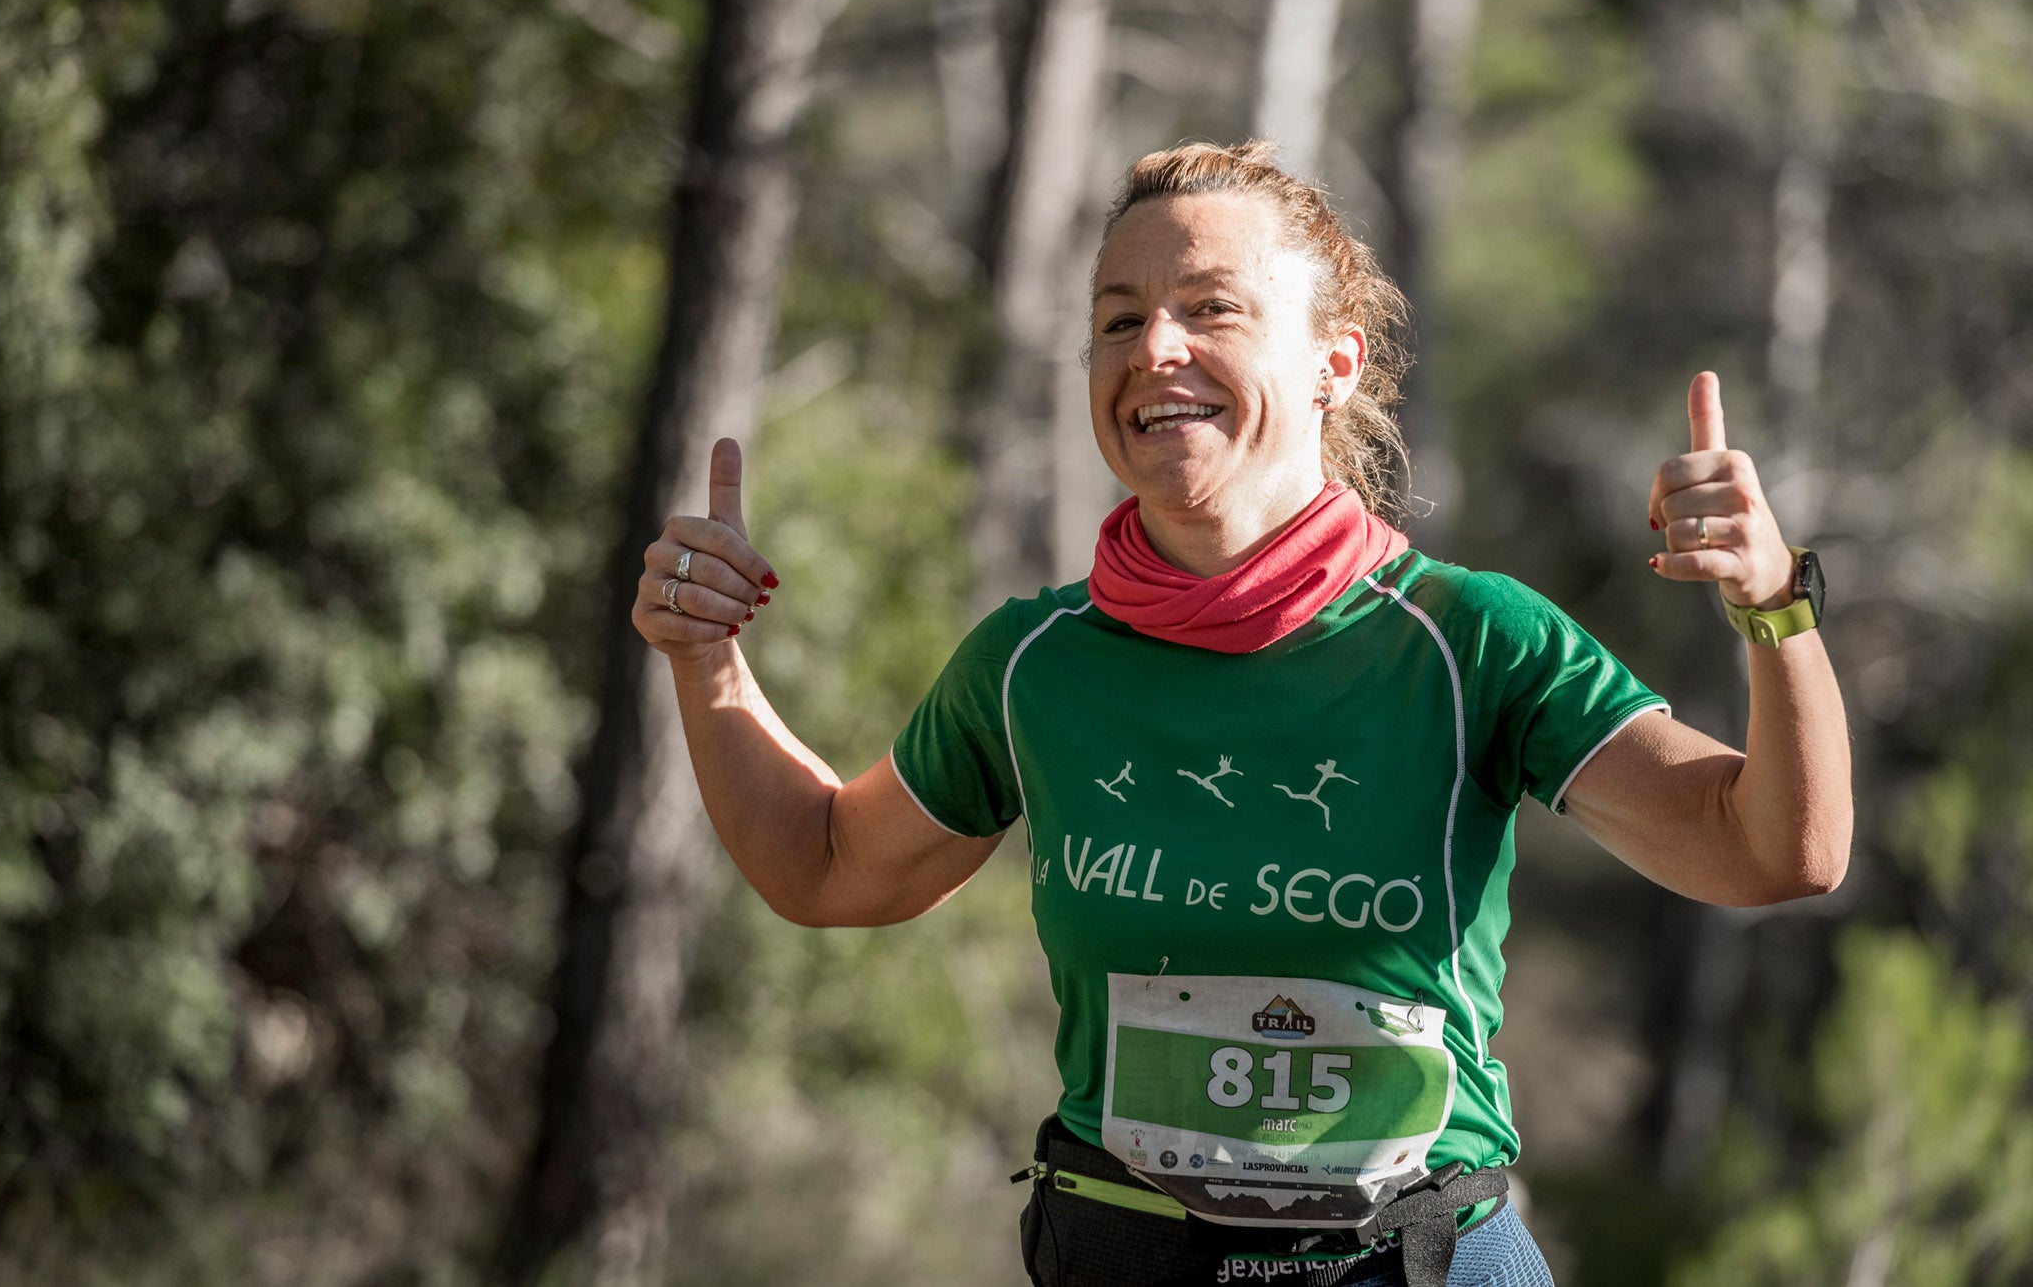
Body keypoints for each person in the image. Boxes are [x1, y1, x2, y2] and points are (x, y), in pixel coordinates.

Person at [631, 141, 1852, 1287]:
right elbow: (831, 867)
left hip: (1406, 1258)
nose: (1152, 347)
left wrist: (1771, 608)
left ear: (1336, 360)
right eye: (1117, 319)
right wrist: (706, 661)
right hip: (1120, 1250)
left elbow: (1773, 849)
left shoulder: (1472, 641)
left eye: (1209, 308)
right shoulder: (1034, 663)